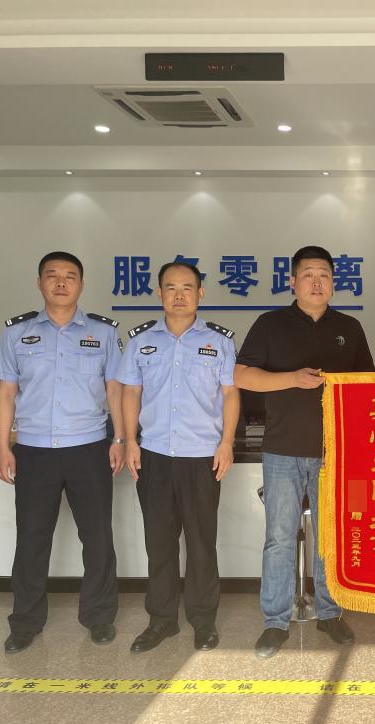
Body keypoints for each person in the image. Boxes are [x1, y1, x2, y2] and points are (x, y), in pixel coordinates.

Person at [235, 245, 375, 659]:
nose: (317, 282)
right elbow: (242, 375)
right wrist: (292, 379)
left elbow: (369, 387)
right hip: (282, 451)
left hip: (338, 454)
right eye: (309, 274)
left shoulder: (349, 327)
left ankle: (330, 613)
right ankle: (275, 621)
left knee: (333, 537)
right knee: (279, 538)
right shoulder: (270, 324)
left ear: (334, 282)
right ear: (292, 281)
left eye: (324, 275)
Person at [0, 251, 124, 653]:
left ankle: (99, 617)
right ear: (39, 283)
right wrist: (2, 446)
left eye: (70, 276)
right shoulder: (16, 334)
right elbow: (6, 393)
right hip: (33, 450)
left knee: (97, 538)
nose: (61, 282)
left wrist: (119, 439)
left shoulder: (103, 333)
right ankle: (25, 622)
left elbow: (115, 390)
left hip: (89, 449)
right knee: (31, 539)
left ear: (81, 284)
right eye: (52, 275)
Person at [117, 261, 239, 652]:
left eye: (188, 287)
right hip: (154, 455)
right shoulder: (140, 341)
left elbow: (230, 394)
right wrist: (130, 441)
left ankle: (203, 620)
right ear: (159, 294)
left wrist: (227, 442)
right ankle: (162, 620)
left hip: (202, 456)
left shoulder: (220, 342)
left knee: (202, 544)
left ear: (200, 293)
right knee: (159, 543)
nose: (179, 295)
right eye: (171, 288)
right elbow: (130, 392)